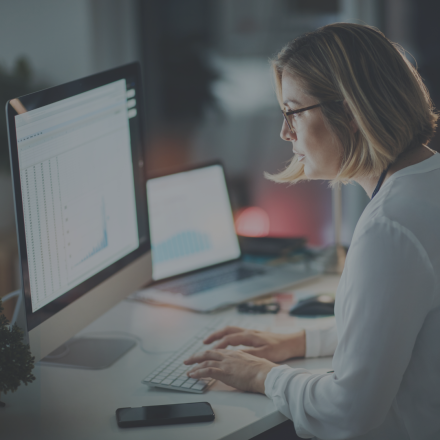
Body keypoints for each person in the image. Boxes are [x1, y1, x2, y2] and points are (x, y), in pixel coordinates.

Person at [184, 23, 440, 440]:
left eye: (293, 112)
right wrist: (301, 341)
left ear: (350, 113)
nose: (285, 132)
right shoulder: (428, 183)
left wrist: (264, 377)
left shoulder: (390, 228)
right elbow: (397, 325)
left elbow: (349, 410)